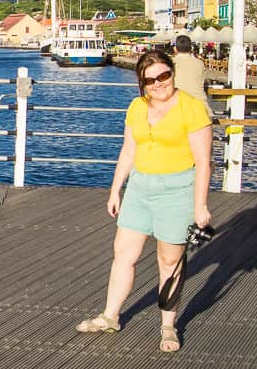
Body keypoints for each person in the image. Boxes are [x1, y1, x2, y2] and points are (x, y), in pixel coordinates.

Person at [77, 50, 213, 352]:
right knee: (123, 254)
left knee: (169, 261)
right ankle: (110, 316)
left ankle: (168, 325)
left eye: (163, 76)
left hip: (177, 188)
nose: (157, 84)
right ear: (141, 82)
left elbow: (204, 162)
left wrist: (200, 204)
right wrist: (116, 189)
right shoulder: (137, 107)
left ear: (172, 73)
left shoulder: (192, 108)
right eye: (149, 80)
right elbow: (128, 150)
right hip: (140, 187)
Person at [173, 35, 211, 114]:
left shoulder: (170, 63)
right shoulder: (199, 64)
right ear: (191, 48)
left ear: (175, 49)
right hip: (201, 109)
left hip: (178, 108)